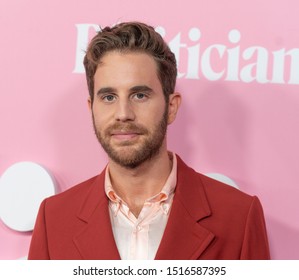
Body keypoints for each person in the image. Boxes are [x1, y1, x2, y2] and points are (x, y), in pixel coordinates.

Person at [28, 21, 270, 260]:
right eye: (109, 97)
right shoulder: (55, 219)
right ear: (92, 108)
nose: (123, 113)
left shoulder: (238, 216)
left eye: (140, 95)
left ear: (171, 107)